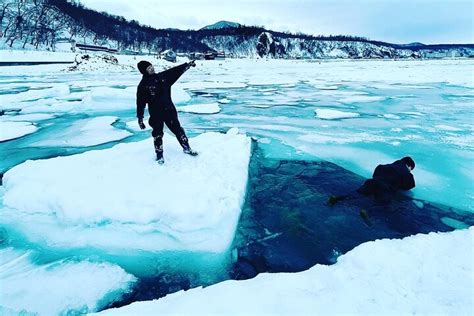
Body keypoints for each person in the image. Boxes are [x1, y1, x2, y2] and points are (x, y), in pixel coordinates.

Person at [136, 60, 198, 164]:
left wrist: (187, 65)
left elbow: (175, 71)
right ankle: (159, 156)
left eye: (151, 66)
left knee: (178, 130)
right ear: (144, 71)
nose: (151, 68)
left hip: (169, 110)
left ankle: (187, 148)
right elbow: (140, 103)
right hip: (156, 113)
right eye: (148, 68)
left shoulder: (162, 77)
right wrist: (140, 118)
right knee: (157, 134)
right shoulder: (143, 85)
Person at [328, 156, 416, 206]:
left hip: (371, 182)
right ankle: (368, 212)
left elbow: (375, 175)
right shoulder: (406, 173)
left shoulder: (384, 166)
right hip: (384, 188)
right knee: (381, 205)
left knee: (357, 193)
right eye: (411, 169)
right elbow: (409, 186)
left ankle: (338, 198)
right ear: (409, 166)